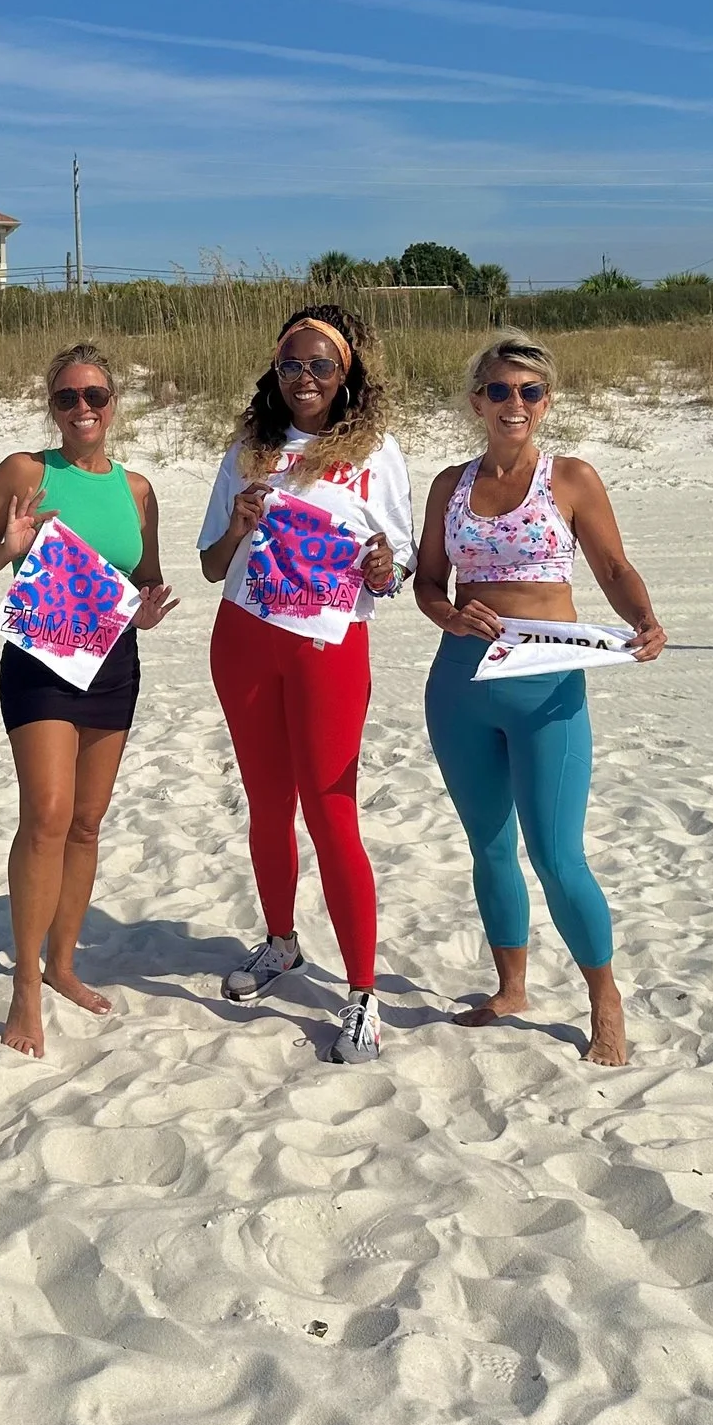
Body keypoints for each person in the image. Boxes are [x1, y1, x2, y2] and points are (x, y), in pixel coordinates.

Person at [414, 333, 665, 1067]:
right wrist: (449, 615)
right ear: (477, 402)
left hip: (547, 681)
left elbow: (613, 567)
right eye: (499, 390)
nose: (514, 403)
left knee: (557, 854)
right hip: (460, 683)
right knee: (489, 845)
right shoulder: (449, 485)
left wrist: (644, 619)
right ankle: (511, 986)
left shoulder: (571, 478)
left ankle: (604, 999)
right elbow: (427, 583)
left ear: (546, 402)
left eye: (529, 391)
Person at [197, 304, 414, 1064]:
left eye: (322, 365)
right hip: (245, 640)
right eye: (292, 364)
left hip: (329, 646)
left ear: (346, 372)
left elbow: (397, 562)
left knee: (331, 812)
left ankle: (362, 992)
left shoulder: (374, 450)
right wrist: (237, 524)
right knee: (266, 805)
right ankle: (282, 942)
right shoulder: (249, 447)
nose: (305, 378)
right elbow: (211, 564)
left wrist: (383, 567)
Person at [0, 344, 177, 1058]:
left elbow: (145, 575)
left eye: (95, 396)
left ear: (114, 404)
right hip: (41, 662)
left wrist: (147, 608)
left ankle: (63, 963)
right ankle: (25, 982)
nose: (82, 408)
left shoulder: (137, 488)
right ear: (51, 406)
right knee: (47, 816)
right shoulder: (27, 471)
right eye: (67, 397)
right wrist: (7, 547)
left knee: (86, 822)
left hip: (113, 662)